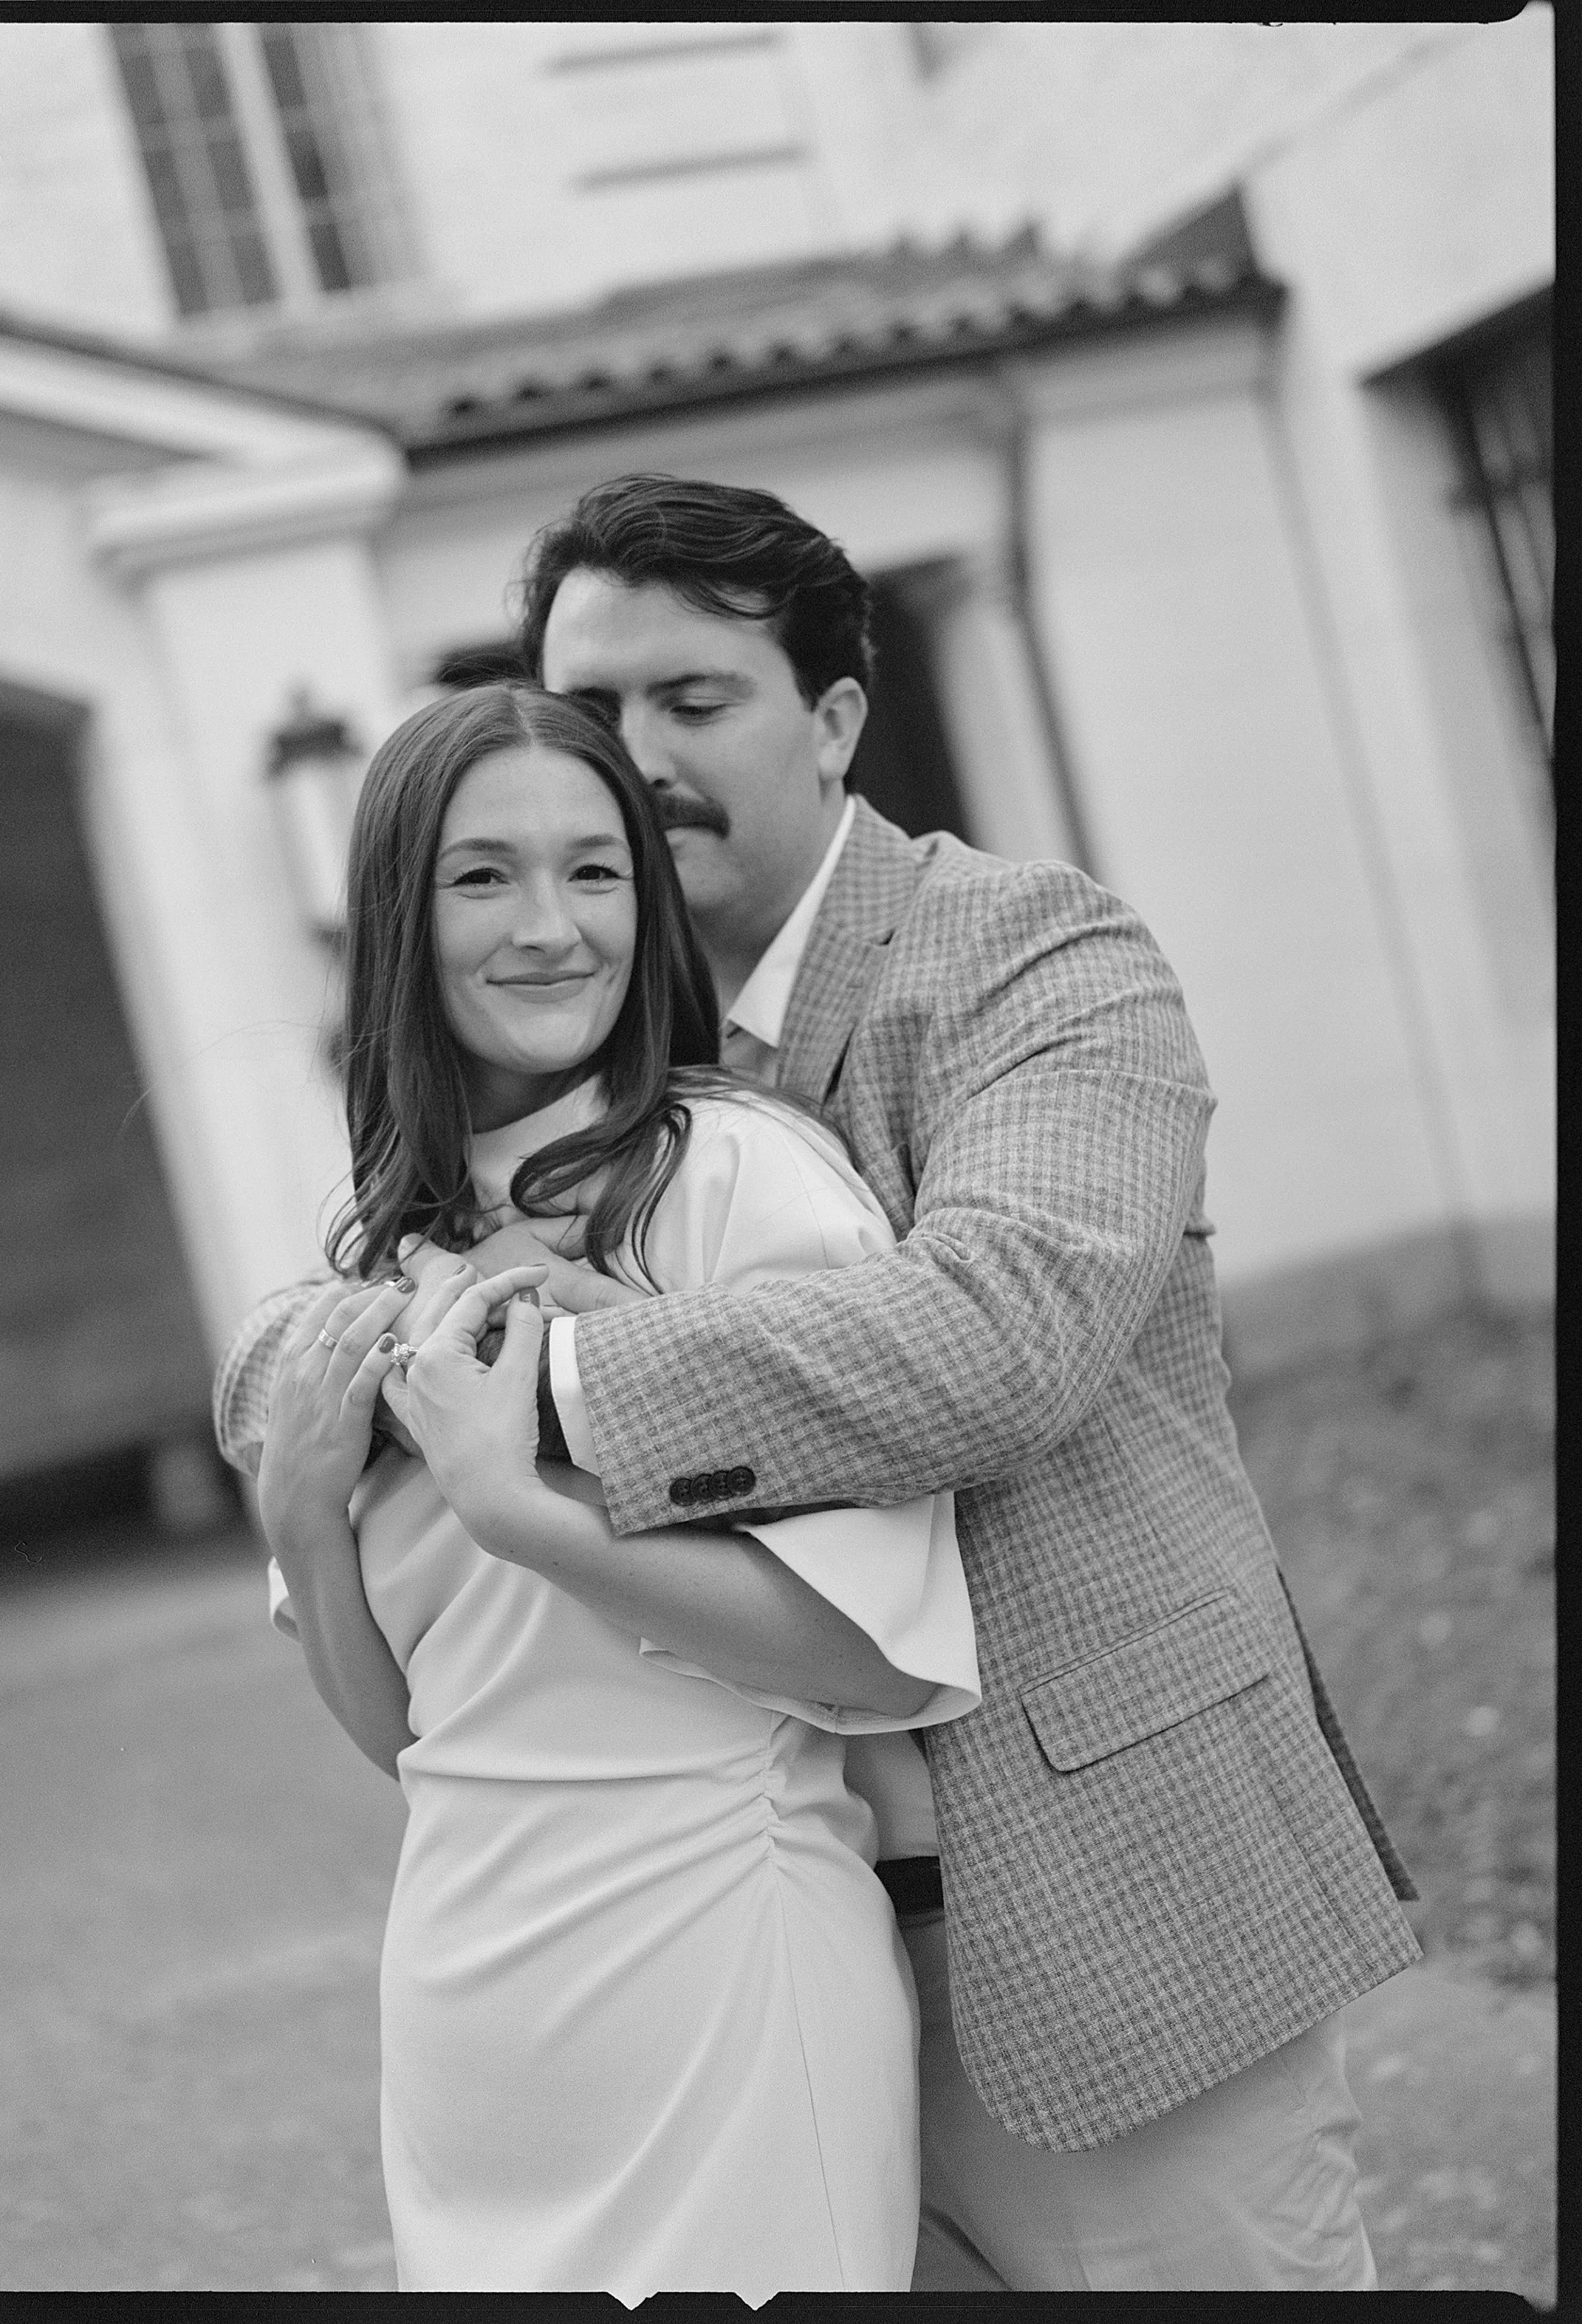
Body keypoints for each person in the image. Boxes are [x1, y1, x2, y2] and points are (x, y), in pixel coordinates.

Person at [219, 475, 1422, 2291]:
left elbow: (997, 1334)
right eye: (594, 706)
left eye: (692, 700)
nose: (636, 759)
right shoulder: (572, 1053)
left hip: (1102, 1923)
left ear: (835, 717)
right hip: (720, 1952)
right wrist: (326, 1419)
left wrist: (530, 1378)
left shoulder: (1032, 954)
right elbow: (307, 1339)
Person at [251, 680, 980, 2301]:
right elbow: (421, 1741)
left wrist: (523, 1513)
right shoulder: (379, 1253)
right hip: (469, 1997)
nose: (549, 926)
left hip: (718, 1950)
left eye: (592, 870)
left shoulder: (737, 1182)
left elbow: (871, 1663)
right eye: (483, 875)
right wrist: (301, 1515)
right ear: (399, 914)